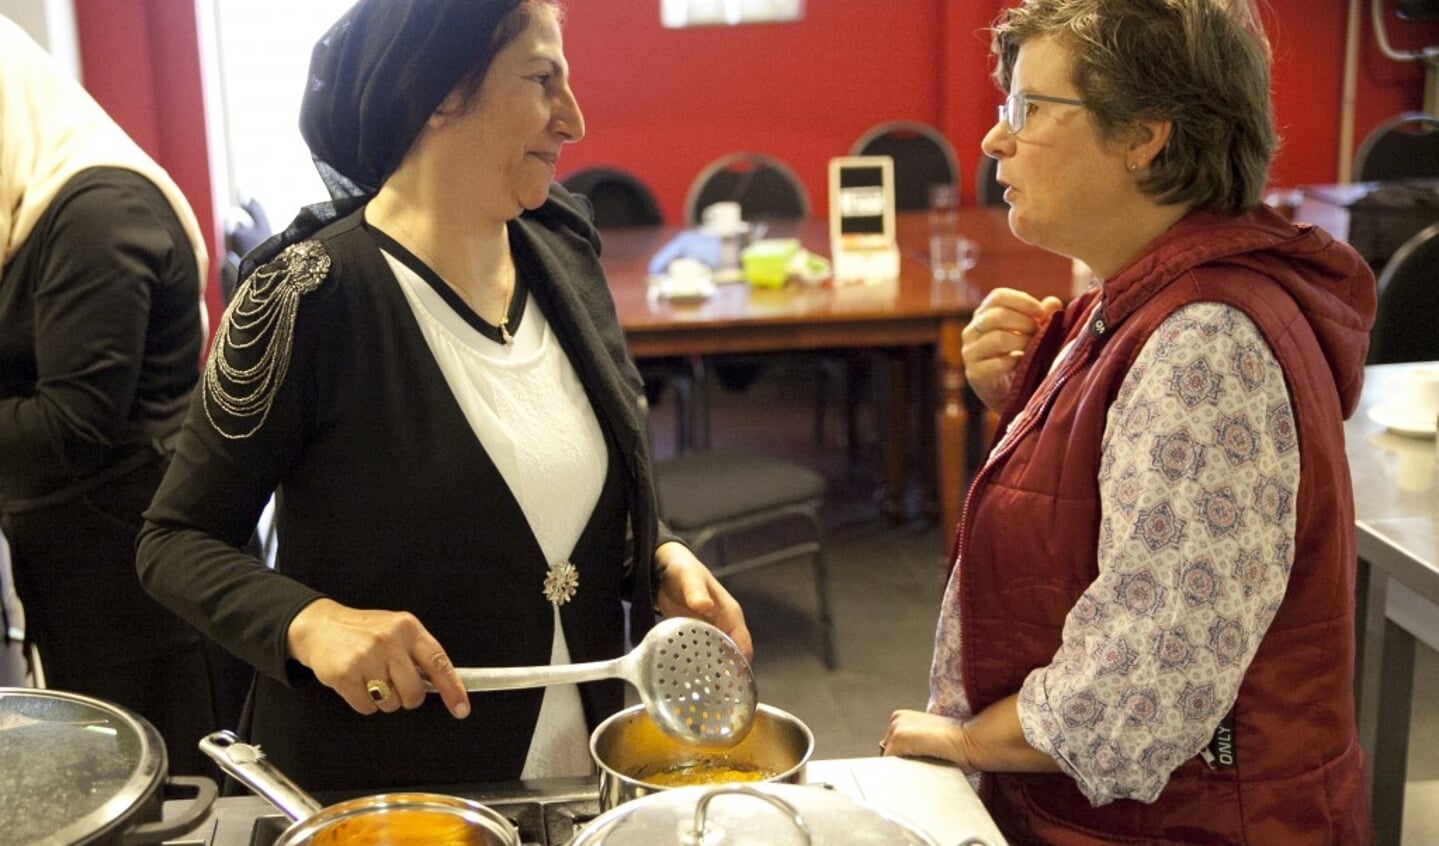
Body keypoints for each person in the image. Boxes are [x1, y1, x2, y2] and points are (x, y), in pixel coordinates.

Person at [137, 0, 751, 792]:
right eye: (541, 79)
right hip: (391, 792)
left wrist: (653, 551)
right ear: (439, 92)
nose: (574, 120)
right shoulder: (305, 295)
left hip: (582, 768)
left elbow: (559, 477)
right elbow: (173, 540)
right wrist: (309, 621)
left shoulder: (561, 251)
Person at [880, 1, 1375, 843]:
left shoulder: (1206, 348)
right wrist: (1037, 392)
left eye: (1028, 109)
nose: (995, 141)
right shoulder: (1139, 305)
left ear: (1144, 133)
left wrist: (965, 741)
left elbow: (1142, 686)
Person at [0, 15, 221, 775]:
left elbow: (71, 424)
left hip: (139, 582)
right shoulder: (30, 207)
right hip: (81, 565)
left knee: (172, 788)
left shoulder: (97, 215)